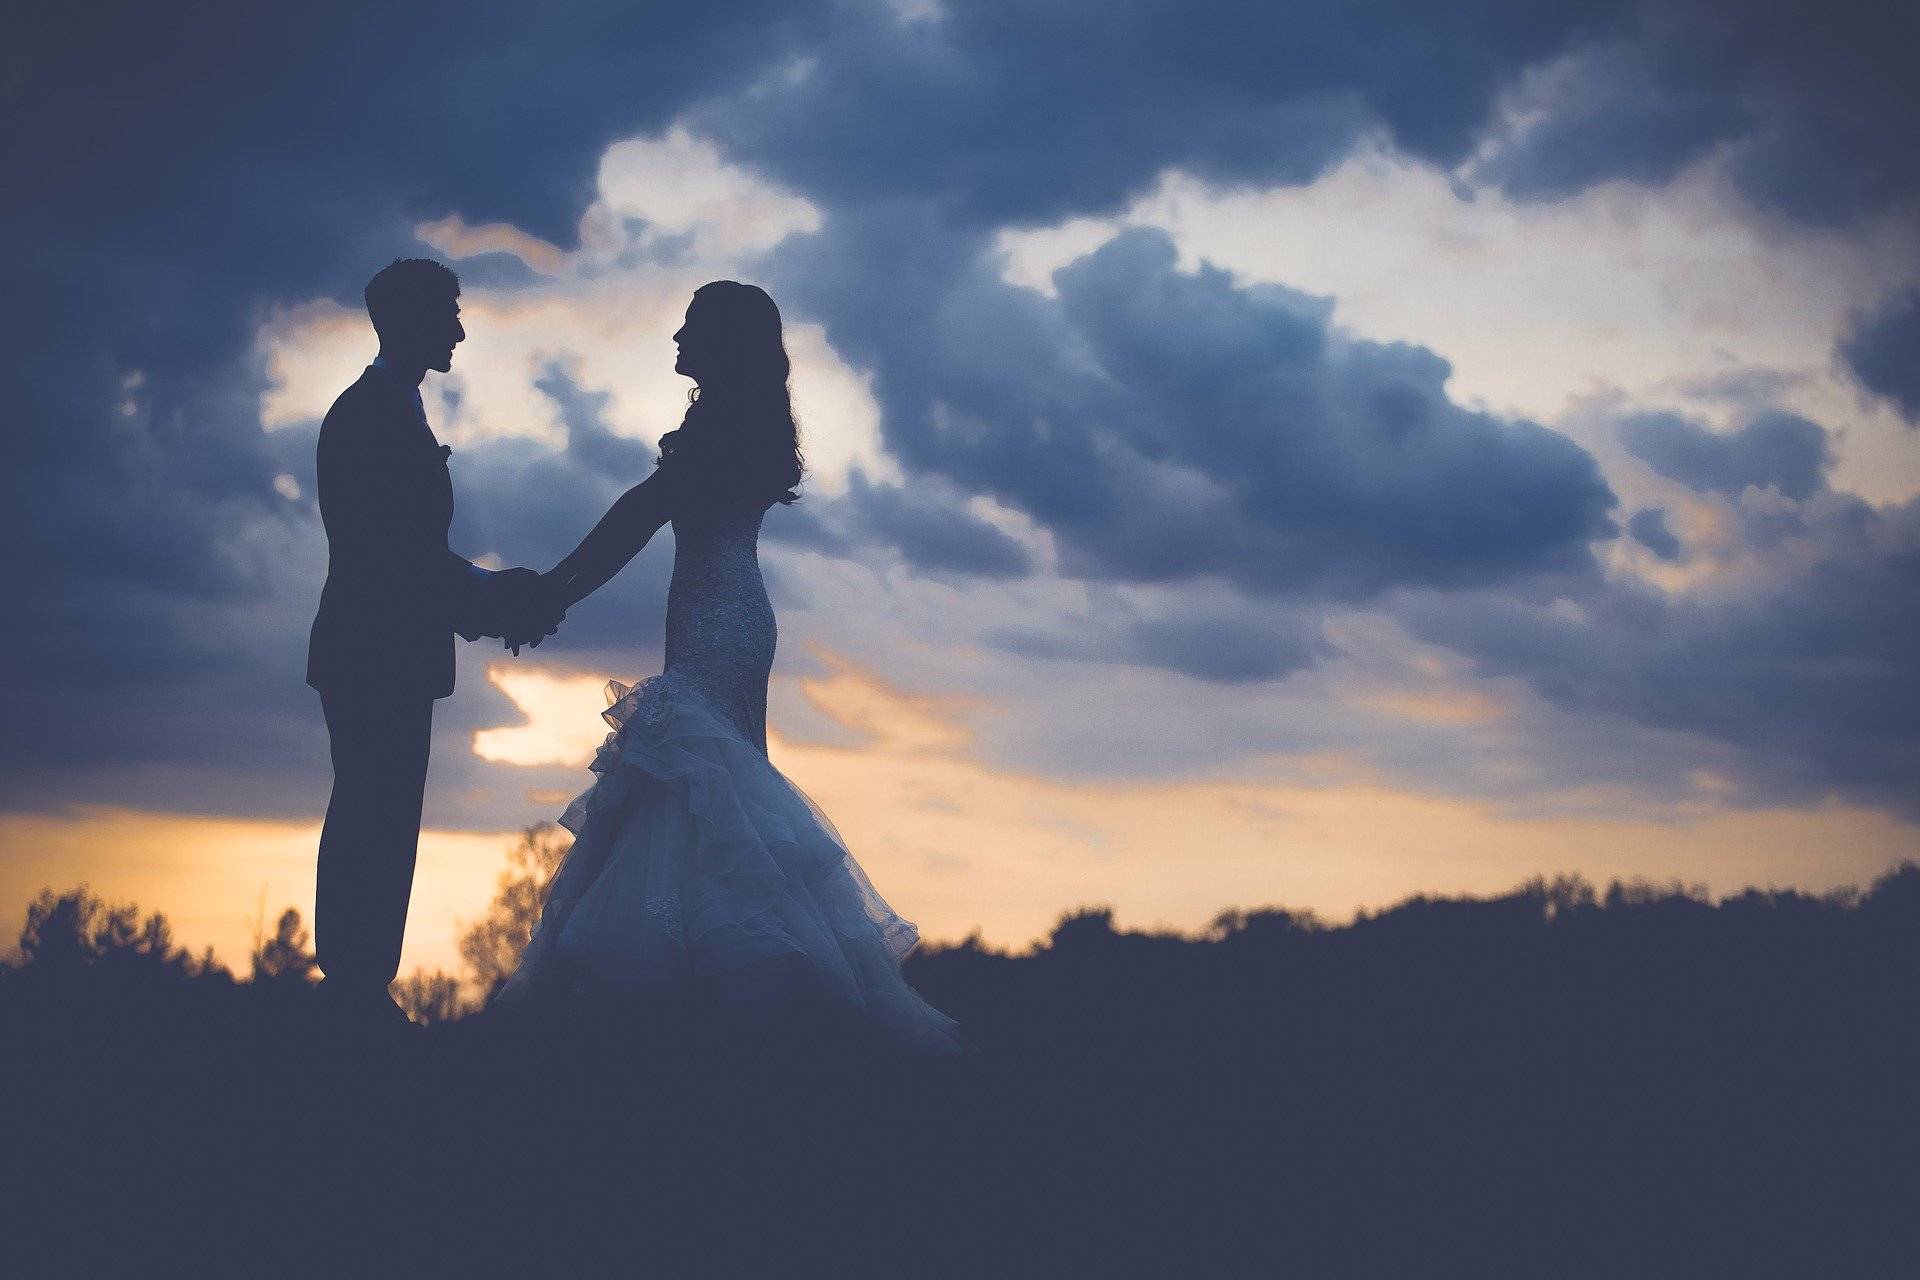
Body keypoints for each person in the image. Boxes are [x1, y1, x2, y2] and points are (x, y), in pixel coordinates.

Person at [494, 281, 960, 1053]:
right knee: (710, 786)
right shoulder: (738, 424)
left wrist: (551, 592)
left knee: (693, 777)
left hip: (716, 618)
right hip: (736, 613)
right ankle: (719, 1002)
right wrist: (556, 592)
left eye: (690, 328)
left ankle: (696, 1006)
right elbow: (639, 518)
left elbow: (637, 518)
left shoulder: (714, 429)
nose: (676, 338)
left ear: (722, 343)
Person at [306, 257, 563, 1031]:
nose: (458, 327)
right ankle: (353, 988)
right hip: (372, 652)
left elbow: (408, 553)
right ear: (408, 318)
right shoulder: (366, 416)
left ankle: (359, 986)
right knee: (371, 814)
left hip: (388, 650)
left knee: (383, 815)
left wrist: (491, 593)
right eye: (448, 311)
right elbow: (393, 555)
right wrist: (493, 595)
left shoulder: (391, 410)